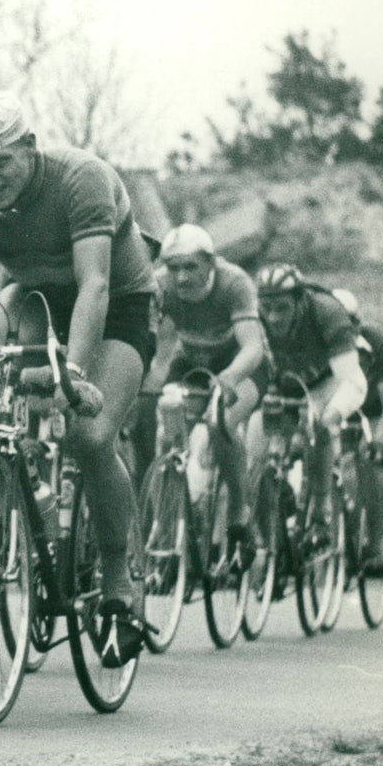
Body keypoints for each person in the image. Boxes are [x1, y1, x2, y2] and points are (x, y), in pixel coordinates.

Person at [0, 89, 156, 667]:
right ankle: (39, 523)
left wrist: (72, 373)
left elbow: (95, 284)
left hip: (117, 301)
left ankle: (121, 585)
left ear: (29, 146)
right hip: (33, 296)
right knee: (4, 406)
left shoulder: (82, 178)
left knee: (91, 437)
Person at [150, 223, 267, 566]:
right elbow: (148, 339)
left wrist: (230, 376)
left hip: (240, 365)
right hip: (191, 360)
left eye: (191, 267)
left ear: (211, 263)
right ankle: (168, 525)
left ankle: (239, 511)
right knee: (167, 432)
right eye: (174, 268)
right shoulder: (160, 285)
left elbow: (252, 347)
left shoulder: (235, 283)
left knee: (221, 423)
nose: (181, 278)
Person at [249, 265, 367, 542]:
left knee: (321, 423)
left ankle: (322, 509)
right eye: (267, 308)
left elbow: (351, 379)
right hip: (285, 382)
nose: (274, 317)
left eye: (282, 307)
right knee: (255, 447)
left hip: (330, 380)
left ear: (300, 300)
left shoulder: (326, 311)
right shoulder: (255, 317)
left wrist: (333, 415)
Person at [332, 288, 383, 574]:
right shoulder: (314, 343)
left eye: (346, 327)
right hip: (338, 406)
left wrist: (379, 443)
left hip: (375, 407)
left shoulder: (376, 340)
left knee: (368, 458)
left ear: (356, 324)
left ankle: (377, 546)